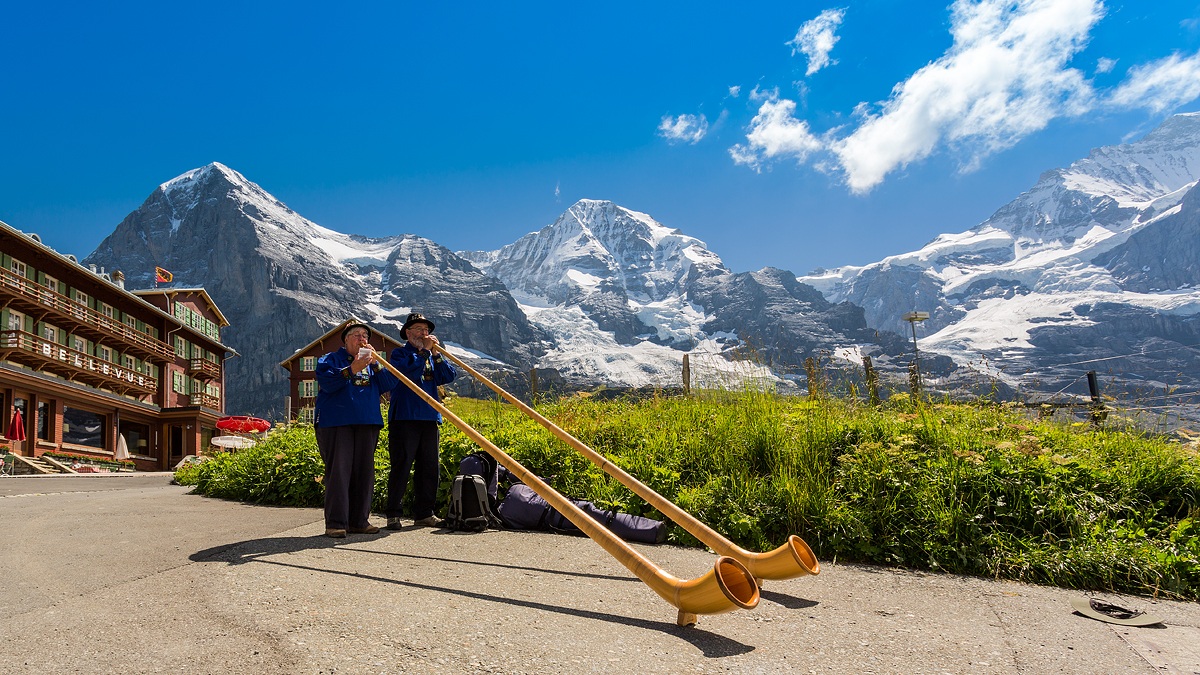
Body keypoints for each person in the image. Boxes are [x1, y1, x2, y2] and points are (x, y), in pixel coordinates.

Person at [314, 321, 399, 538]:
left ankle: (359, 521)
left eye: (365, 336)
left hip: (367, 422)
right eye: (357, 335)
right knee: (339, 472)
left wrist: (376, 363)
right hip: (337, 422)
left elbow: (389, 384)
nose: (362, 339)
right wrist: (354, 368)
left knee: (364, 472)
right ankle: (336, 522)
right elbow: (328, 382)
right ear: (346, 339)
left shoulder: (372, 363)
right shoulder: (330, 359)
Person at [386, 312, 457, 529]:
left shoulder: (431, 356)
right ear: (408, 333)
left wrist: (436, 354)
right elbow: (407, 373)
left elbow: (448, 376)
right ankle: (393, 514)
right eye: (419, 329)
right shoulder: (399, 354)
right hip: (405, 417)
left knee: (429, 467)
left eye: (426, 330)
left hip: (429, 416)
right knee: (402, 465)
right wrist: (425, 352)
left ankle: (424, 513)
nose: (424, 334)